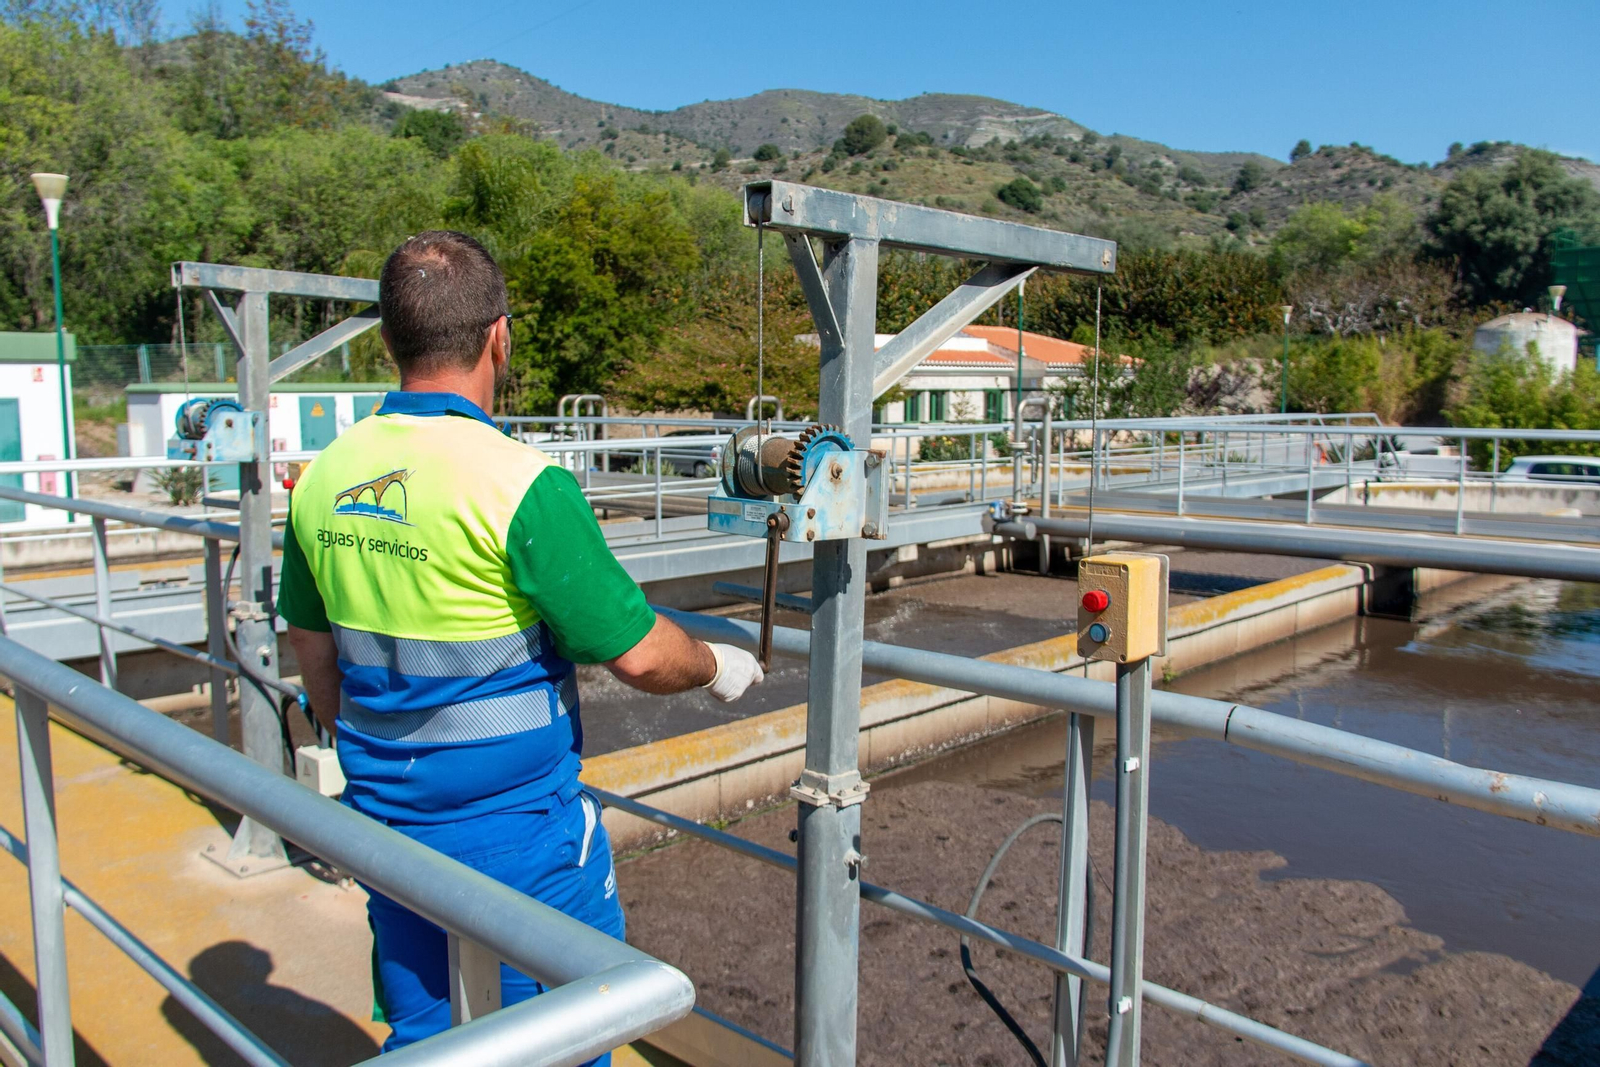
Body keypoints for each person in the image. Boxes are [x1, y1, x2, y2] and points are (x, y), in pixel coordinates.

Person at [279, 230, 763, 1058]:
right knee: (563, 1034)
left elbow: (313, 649)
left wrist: (370, 752)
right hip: (520, 840)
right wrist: (718, 664)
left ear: (390, 339)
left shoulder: (324, 475)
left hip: (388, 826)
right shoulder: (521, 483)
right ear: (499, 337)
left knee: (430, 1037)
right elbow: (641, 652)